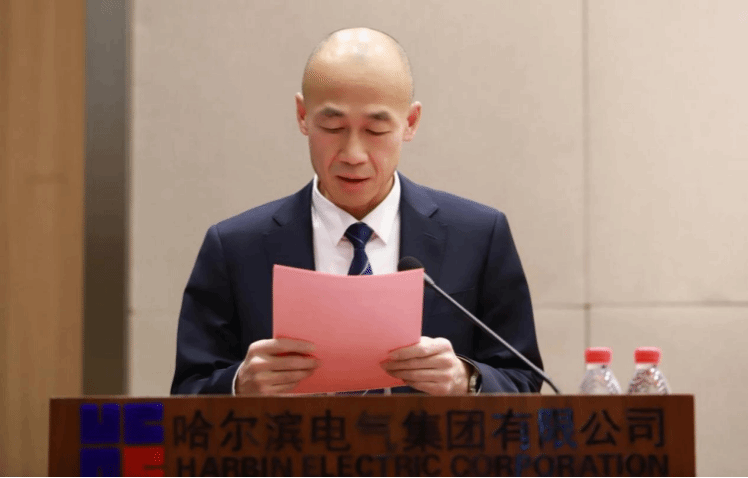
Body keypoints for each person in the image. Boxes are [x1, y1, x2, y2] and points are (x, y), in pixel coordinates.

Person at [170, 27, 544, 396]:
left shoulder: (478, 236)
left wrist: (467, 380)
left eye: (375, 131)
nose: (353, 154)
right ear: (302, 116)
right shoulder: (235, 247)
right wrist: (239, 386)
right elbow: (187, 391)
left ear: (410, 122)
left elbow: (523, 380)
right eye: (332, 126)